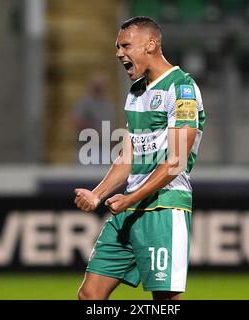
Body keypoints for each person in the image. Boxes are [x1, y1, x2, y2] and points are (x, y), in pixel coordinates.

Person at [74, 16, 206, 300]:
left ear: (150, 45)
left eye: (125, 46)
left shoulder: (182, 88)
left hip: (164, 208)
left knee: (165, 301)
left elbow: (177, 160)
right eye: (117, 47)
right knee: (89, 295)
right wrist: (98, 195)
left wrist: (129, 199)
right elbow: (130, 154)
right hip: (130, 209)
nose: (119, 53)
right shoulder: (135, 93)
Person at [73, 72, 116, 164]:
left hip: (105, 149)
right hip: (86, 150)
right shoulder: (84, 103)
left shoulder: (108, 105)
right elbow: (76, 122)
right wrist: (94, 131)